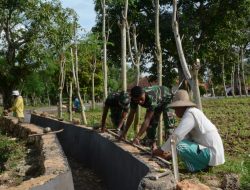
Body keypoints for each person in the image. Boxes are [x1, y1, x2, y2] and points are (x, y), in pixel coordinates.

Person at [152, 90, 225, 172]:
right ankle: (200, 167)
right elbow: (185, 139)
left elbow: (177, 136)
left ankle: (197, 168)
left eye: (176, 109)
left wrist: (161, 150)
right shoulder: (192, 113)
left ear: (181, 107)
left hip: (211, 153)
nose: (175, 112)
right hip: (209, 152)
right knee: (180, 143)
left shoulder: (190, 113)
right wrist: (169, 155)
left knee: (179, 145)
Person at [120, 85, 175, 150]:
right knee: (151, 125)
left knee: (169, 126)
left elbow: (147, 119)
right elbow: (131, 115)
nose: (140, 102)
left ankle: (170, 150)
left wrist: (137, 137)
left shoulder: (151, 97)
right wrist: (125, 132)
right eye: (137, 100)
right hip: (157, 103)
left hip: (167, 100)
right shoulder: (133, 99)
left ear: (144, 94)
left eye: (141, 99)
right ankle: (153, 146)